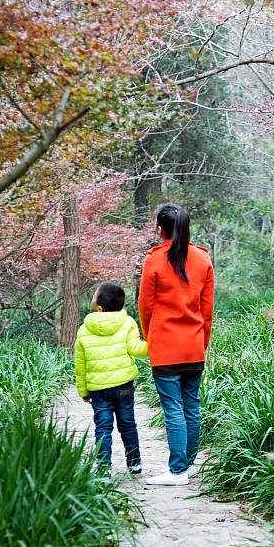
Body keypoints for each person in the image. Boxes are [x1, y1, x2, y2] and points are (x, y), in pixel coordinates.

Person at [138, 204, 214, 486]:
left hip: (165, 345)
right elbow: (207, 308)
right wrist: (203, 340)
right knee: (191, 406)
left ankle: (178, 470)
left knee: (172, 408)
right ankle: (189, 464)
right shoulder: (203, 259)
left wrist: (149, 336)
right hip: (194, 344)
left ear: (161, 229)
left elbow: (145, 305)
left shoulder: (154, 260)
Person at [74, 281, 148, 476]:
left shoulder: (83, 330)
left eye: (93, 296)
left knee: (103, 428)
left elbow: (80, 367)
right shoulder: (128, 323)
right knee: (128, 424)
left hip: (98, 389)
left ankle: (103, 469)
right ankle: (134, 464)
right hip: (124, 385)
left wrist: (83, 391)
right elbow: (137, 349)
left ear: (99, 307)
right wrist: (155, 343)